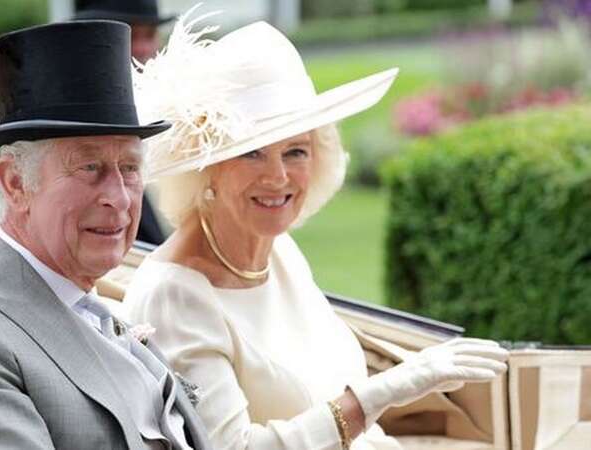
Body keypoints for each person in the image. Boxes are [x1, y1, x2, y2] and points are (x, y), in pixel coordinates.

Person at [124, 15, 509, 450]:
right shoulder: (176, 296)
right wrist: (383, 392)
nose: (278, 177)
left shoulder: (280, 252)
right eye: (252, 153)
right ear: (206, 166)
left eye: (296, 152)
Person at [0, 20, 212, 450]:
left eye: (130, 168)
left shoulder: (95, 308)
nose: (119, 198)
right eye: (89, 168)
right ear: (15, 183)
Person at [73, 0, 176, 244]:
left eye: (149, 34)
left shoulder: (180, 114)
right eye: (127, 33)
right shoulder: (68, 125)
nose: (141, 48)